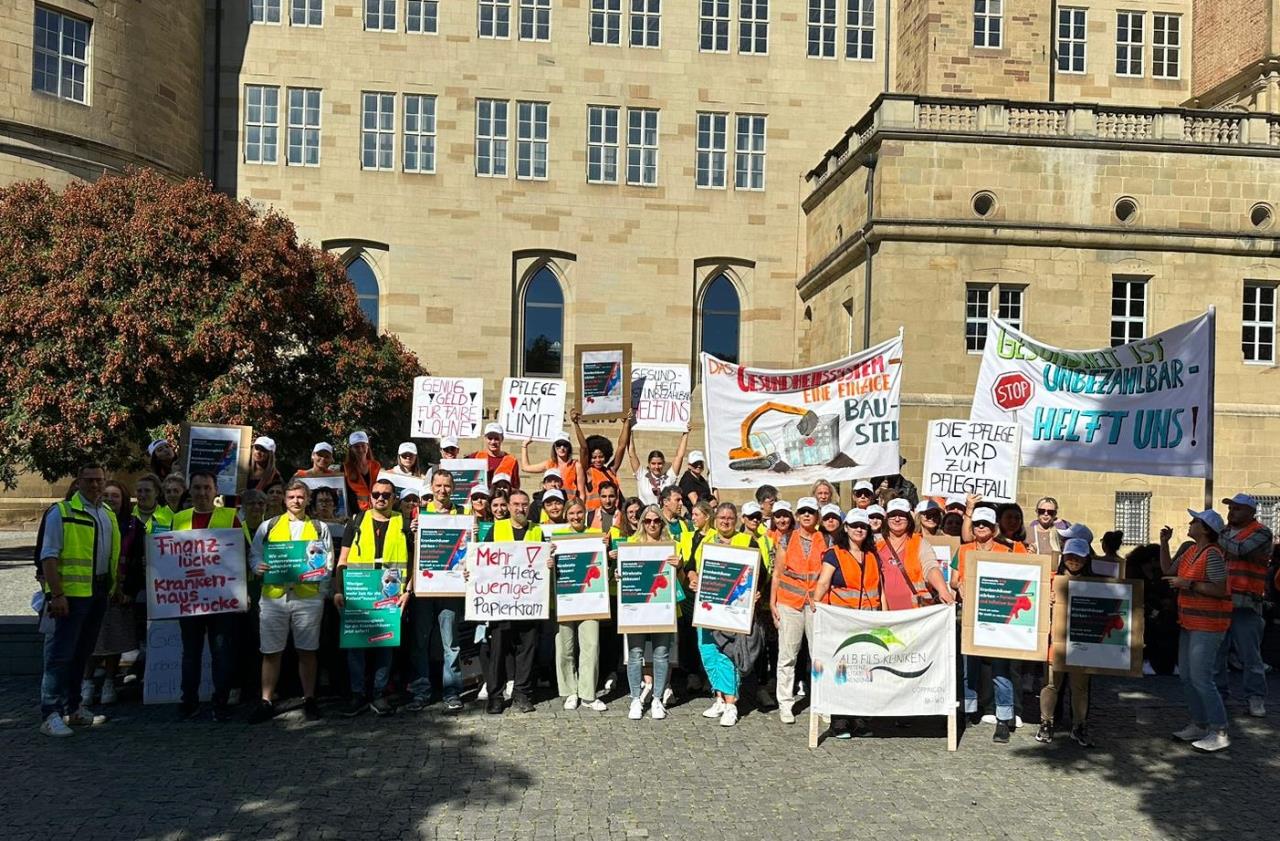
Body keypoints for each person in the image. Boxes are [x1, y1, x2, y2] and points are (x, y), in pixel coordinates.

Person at [38, 464, 120, 737]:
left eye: (99, 480)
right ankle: (50, 713)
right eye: (89, 480)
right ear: (78, 482)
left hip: (98, 591)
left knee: (82, 654)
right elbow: (49, 556)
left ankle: (73, 708)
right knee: (60, 655)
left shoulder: (106, 513)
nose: (95, 485)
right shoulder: (61, 513)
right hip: (70, 595)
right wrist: (56, 594)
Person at [248, 480, 333, 724]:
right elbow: (254, 554)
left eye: (300, 497)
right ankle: (266, 700)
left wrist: (321, 594)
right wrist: (257, 566)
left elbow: (328, 562)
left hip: (307, 597)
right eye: (292, 497)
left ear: (308, 499)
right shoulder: (269, 525)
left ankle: (309, 699)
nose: (296, 501)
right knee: (271, 651)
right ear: (285, 499)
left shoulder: (319, 527)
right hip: (274, 596)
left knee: (307, 650)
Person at [334, 477, 411, 717]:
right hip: (359, 592)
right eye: (376, 494)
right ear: (370, 496)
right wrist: (338, 590)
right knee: (356, 645)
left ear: (394, 498)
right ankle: (357, 694)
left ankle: (379, 693)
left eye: (386, 495)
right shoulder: (356, 521)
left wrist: (408, 591)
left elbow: (415, 561)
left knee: (385, 645)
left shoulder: (405, 523)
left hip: (391, 593)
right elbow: (343, 560)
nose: (380, 498)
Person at [172, 470, 244, 722]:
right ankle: (188, 701)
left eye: (207, 488)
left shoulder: (230, 517)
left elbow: (242, 553)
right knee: (190, 653)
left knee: (221, 652)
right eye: (197, 487)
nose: (202, 492)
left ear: (215, 491)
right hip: (189, 599)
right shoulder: (179, 519)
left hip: (222, 599)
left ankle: (220, 702)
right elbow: (170, 558)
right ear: (189, 490)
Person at [1161, 508, 1232, 752]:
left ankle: (1219, 731)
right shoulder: (1191, 551)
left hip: (1208, 625)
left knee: (1202, 678)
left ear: (1205, 529)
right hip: (1190, 623)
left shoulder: (1212, 554)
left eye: (1195, 521)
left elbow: (1220, 590)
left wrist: (1188, 584)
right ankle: (1200, 724)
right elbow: (1168, 570)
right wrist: (1164, 543)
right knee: (1187, 677)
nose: (1190, 523)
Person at [953, 506, 1025, 743]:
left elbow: (1018, 580)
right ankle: (968, 711)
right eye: (977, 524)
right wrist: (959, 585)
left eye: (985, 524)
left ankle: (1003, 718)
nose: (980, 527)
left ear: (994, 528)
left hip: (997, 617)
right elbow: (953, 580)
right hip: (969, 615)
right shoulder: (964, 550)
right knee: (969, 666)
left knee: (1000, 668)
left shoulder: (1007, 551)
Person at [688, 502, 763, 727]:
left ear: (736, 520)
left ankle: (731, 704)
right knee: (708, 652)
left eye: (730, 518)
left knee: (727, 653)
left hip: (734, 609)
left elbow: (762, 573)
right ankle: (719, 698)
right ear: (715, 519)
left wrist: (756, 592)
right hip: (708, 607)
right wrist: (693, 578)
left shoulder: (747, 541)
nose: (726, 521)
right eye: (722, 518)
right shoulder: (705, 541)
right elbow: (691, 566)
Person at [812, 508, 878, 738]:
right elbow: (824, 582)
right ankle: (839, 720)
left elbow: (879, 589)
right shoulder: (834, 554)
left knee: (862, 670)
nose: (859, 530)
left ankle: (859, 718)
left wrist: (885, 615)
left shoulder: (872, 555)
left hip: (867, 621)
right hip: (841, 621)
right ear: (846, 528)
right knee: (841, 670)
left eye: (863, 526)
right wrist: (816, 603)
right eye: (855, 526)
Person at [407, 470, 466, 713]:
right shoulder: (420, 514)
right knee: (420, 642)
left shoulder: (462, 514)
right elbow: (411, 551)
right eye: (439, 485)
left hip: (451, 589)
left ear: (454, 488)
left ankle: (452, 692)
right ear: (431, 487)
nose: (443, 490)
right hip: (424, 589)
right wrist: (412, 532)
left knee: (451, 643)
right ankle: (421, 691)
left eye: (447, 486)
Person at [480, 489, 543, 713]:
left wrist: (548, 563)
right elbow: (483, 561)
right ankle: (495, 696)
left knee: (527, 649)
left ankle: (522, 694)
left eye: (524, 504)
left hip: (529, 603)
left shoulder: (537, 530)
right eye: (516, 504)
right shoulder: (497, 529)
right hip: (501, 602)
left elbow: (542, 563)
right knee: (499, 650)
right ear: (508, 506)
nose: (520, 508)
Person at [82, 480, 142, 707]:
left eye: (115, 496)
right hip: (93, 589)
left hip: (120, 592)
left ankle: (109, 682)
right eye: (106, 495)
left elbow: (137, 562)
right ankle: (87, 682)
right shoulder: (93, 519)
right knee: (92, 640)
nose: (110, 499)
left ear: (123, 500)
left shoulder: (133, 526)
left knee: (114, 641)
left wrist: (129, 591)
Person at [770, 496, 828, 724]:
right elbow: (777, 573)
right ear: (797, 515)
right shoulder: (786, 539)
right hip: (789, 603)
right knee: (787, 655)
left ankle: (823, 703)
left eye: (810, 512)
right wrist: (772, 603)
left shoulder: (825, 539)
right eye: (802, 511)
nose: (806, 515)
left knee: (819, 655)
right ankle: (785, 703)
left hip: (815, 604)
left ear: (817, 516)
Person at [1215, 493, 1273, 718]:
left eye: (1237, 509)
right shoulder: (1225, 532)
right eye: (1230, 508)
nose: (1231, 512)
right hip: (1221, 600)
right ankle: (1219, 695)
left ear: (1251, 512)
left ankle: (1255, 698)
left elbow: (1241, 550)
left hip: (1246, 602)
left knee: (1250, 655)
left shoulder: (1261, 532)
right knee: (1218, 653)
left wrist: (1215, 534)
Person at [624, 504, 681, 721]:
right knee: (635, 654)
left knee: (661, 654)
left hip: (661, 606)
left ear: (662, 523)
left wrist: (680, 566)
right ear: (642, 523)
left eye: (656, 521)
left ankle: (657, 698)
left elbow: (680, 582)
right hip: (637, 607)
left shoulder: (671, 546)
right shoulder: (632, 545)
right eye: (647, 521)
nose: (652, 524)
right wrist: (620, 573)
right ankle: (635, 699)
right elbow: (624, 574)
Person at [1036, 538, 1095, 747]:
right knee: (1051, 684)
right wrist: (1046, 599)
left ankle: (1079, 726)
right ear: (1064, 557)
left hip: (1081, 644)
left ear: (1086, 559)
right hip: (1054, 642)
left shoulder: (1096, 584)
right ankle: (1046, 723)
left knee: (1080, 687)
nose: (1074, 560)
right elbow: (1033, 603)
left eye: (1079, 557)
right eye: (1070, 556)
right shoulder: (1050, 579)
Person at [551, 499, 609, 712]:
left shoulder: (595, 535)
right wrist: (549, 557)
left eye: (579, 513)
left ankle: (588, 694)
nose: (575, 517)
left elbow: (603, 564)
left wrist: (605, 548)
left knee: (591, 645)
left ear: (585, 514)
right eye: (571, 513)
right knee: (564, 647)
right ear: (566, 515)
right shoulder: (558, 537)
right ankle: (569, 691)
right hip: (565, 599)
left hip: (590, 599)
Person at [877, 498, 953, 609]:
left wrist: (943, 590)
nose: (897, 519)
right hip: (883, 613)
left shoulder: (920, 543)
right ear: (886, 518)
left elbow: (930, 567)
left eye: (902, 515)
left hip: (916, 612)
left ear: (909, 518)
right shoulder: (876, 545)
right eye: (893, 515)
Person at [571, 409, 632, 511]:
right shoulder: (587, 471)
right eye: (594, 457)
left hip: (613, 515)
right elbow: (584, 448)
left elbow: (621, 446)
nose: (598, 460)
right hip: (593, 515)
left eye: (601, 457)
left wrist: (626, 422)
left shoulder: (611, 471)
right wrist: (576, 423)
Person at [629, 427, 690, 506]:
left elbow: (679, 456)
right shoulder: (642, 476)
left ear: (663, 463)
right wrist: (629, 430)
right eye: (653, 463)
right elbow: (632, 454)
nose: (656, 467)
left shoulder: (669, 478)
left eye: (659, 463)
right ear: (649, 464)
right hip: (646, 513)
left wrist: (686, 433)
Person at [520, 431, 579, 500]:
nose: (562, 448)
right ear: (554, 447)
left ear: (569, 447)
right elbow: (525, 468)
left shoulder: (576, 465)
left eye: (565, 445)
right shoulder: (549, 464)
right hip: (552, 502)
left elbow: (582, 492)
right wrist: (524, 446)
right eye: (559, 445)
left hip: (570, 504)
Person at [343, 431, 382, 513]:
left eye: (363, 445)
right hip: (356, 510)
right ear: (351, 449)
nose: (360, 449)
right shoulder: (345, 468)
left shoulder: (376, 465)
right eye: (356, 447)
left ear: (367, 446)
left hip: (376, 508)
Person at [472, 422, 520, 489]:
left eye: (496, 439)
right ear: (485, 439)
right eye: (490, 438)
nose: (493, 442)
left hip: (502, 495)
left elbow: (515, 487)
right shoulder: (475, 457)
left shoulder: (512, 461)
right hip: (480, 495)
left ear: (502, 439)